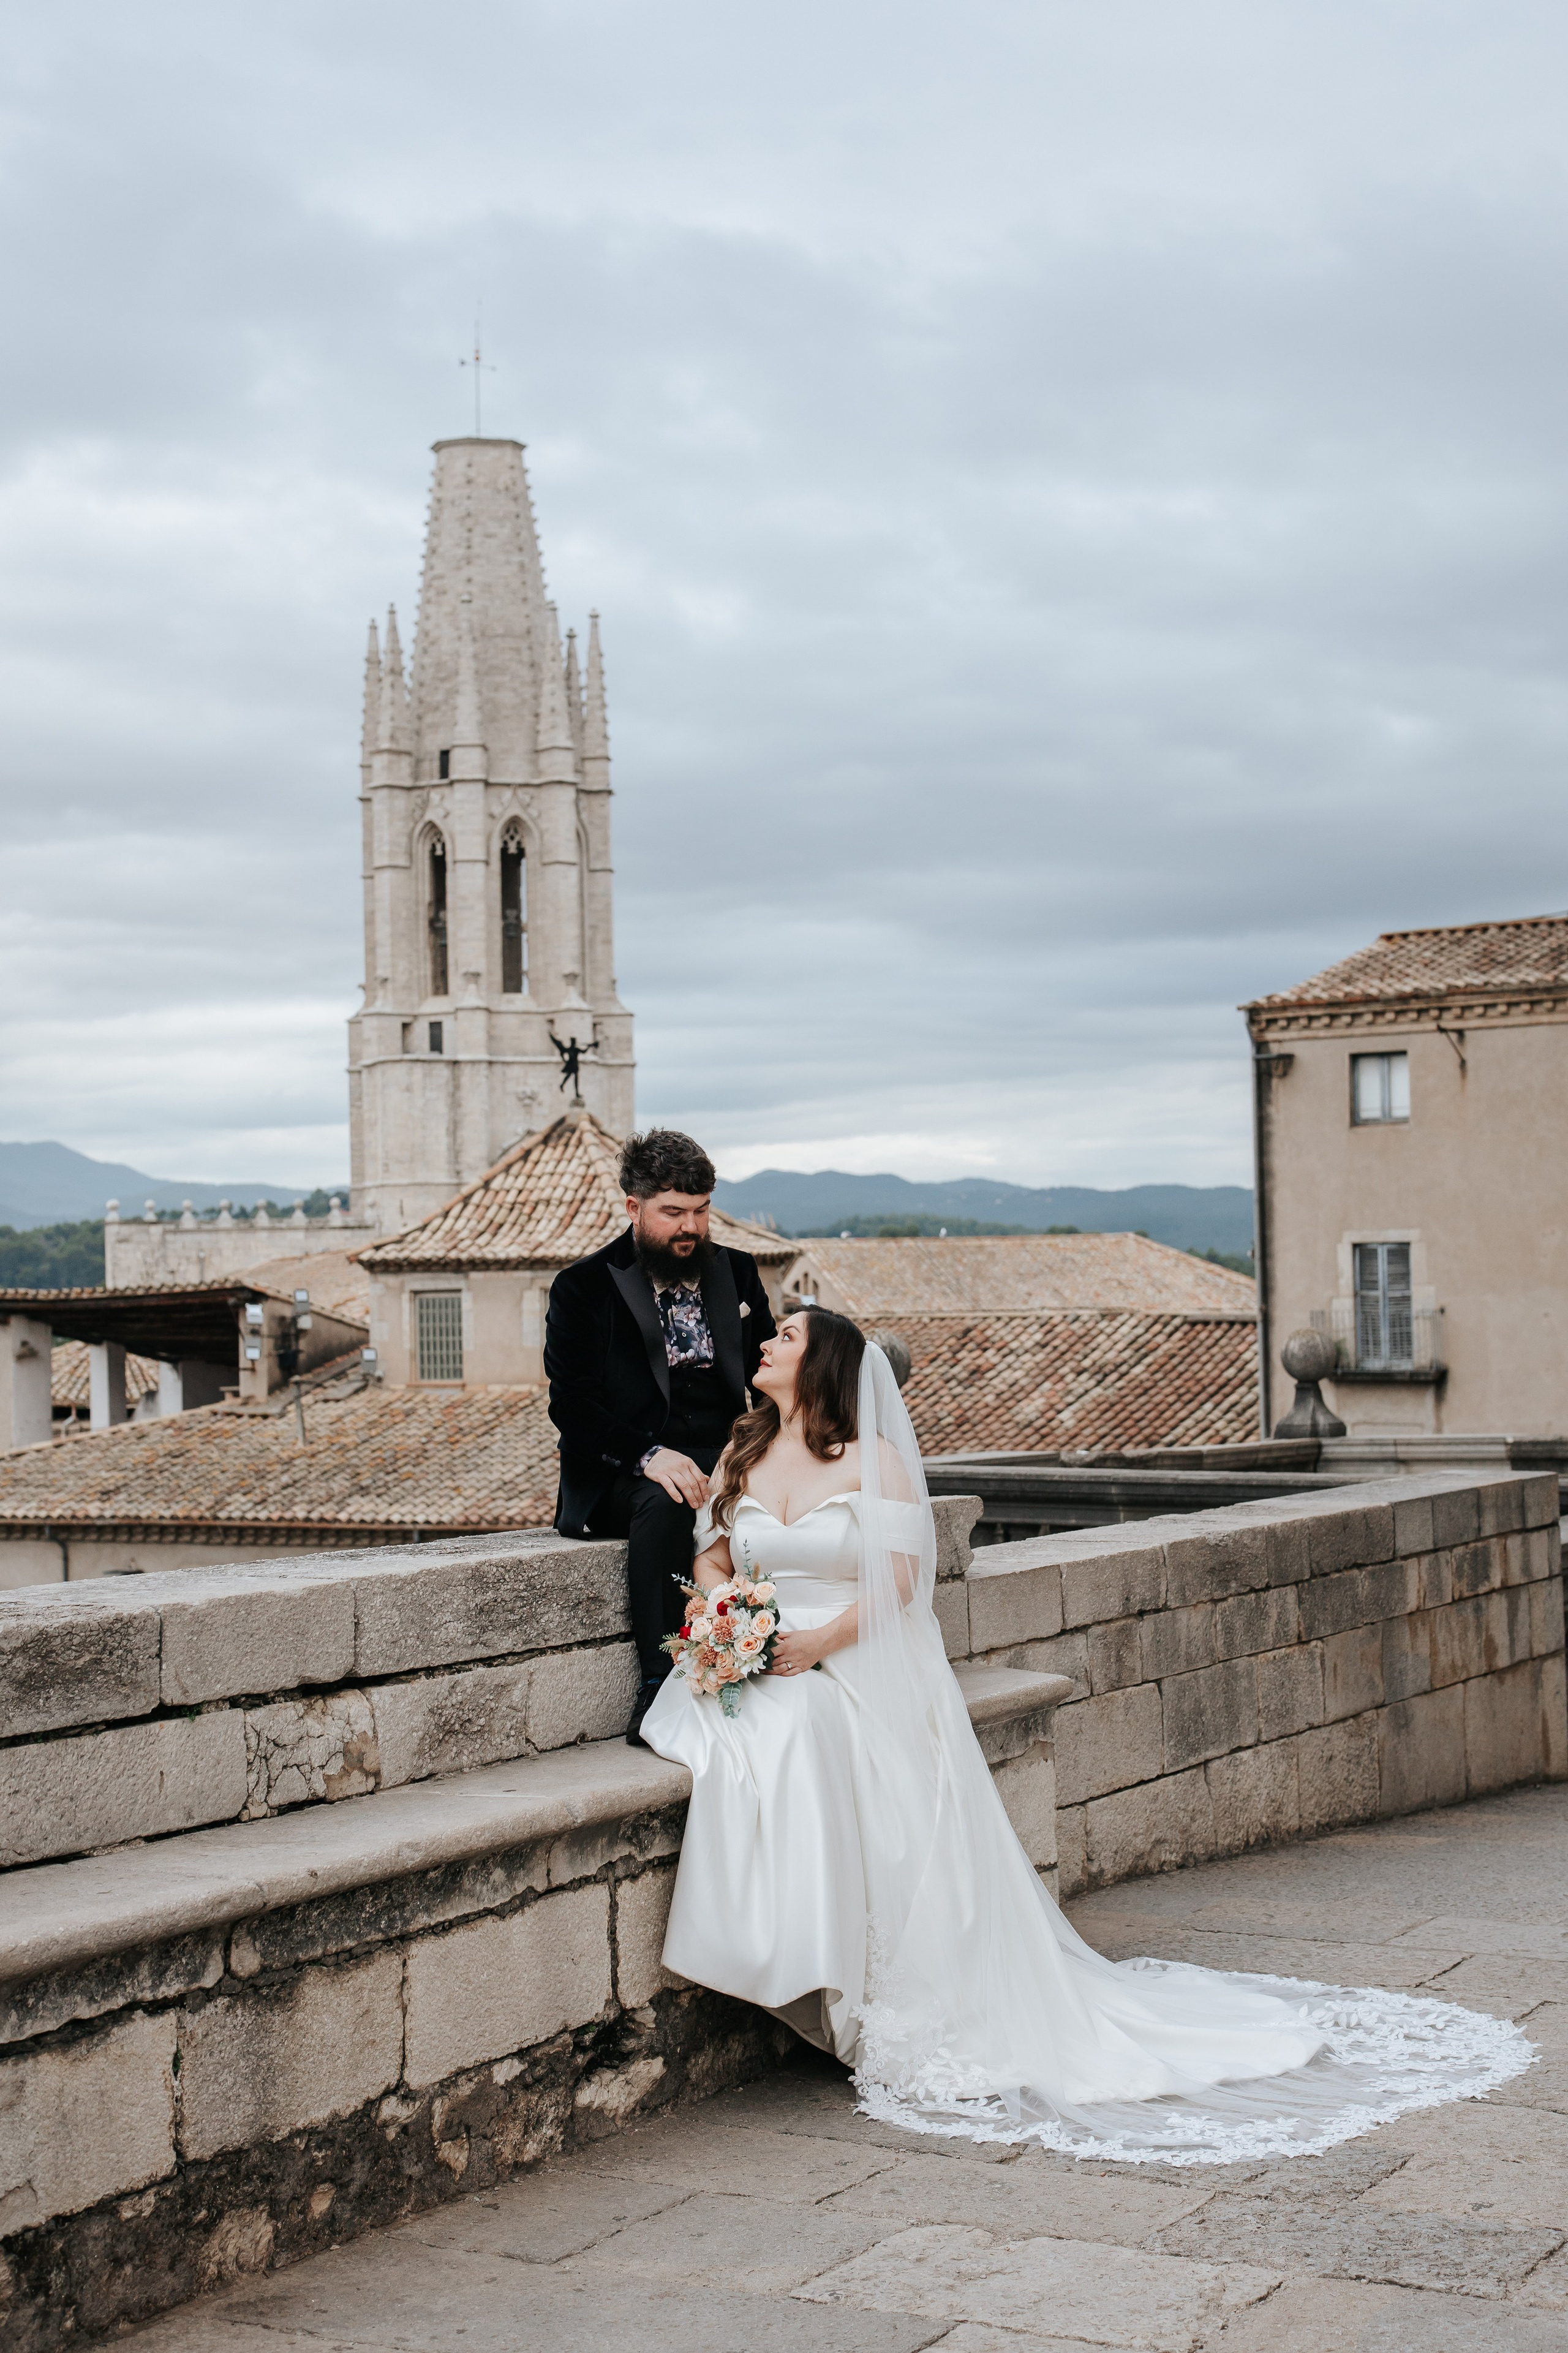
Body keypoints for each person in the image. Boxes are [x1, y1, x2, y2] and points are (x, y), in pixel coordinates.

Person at [641, 1308, 1533, 2162]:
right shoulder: (745, 1447)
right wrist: (735, 1622)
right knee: (747, 1745)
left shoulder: (873, 1457)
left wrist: (815, 1643)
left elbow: (903, 1582)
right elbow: (716, 1555)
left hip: (843, 1651)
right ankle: (772, 1946)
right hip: (752, 1657)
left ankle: (840, 1970)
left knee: (811, 1736)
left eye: (786, 1336)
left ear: (824, 1362)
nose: (764, 1342)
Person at [543, 1128, 777, 1746]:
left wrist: (757, 1451)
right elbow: (571, 1406)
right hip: (625, 1467)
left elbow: (770, 1378)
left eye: (701, 1211)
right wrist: (647, 1455)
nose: (690, 1228)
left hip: (729, 1454)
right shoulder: (582, 1288)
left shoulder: (739, 1272)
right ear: (633, 1207)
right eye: (673, 1212)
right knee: (670, 1501)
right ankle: (659, 1684)